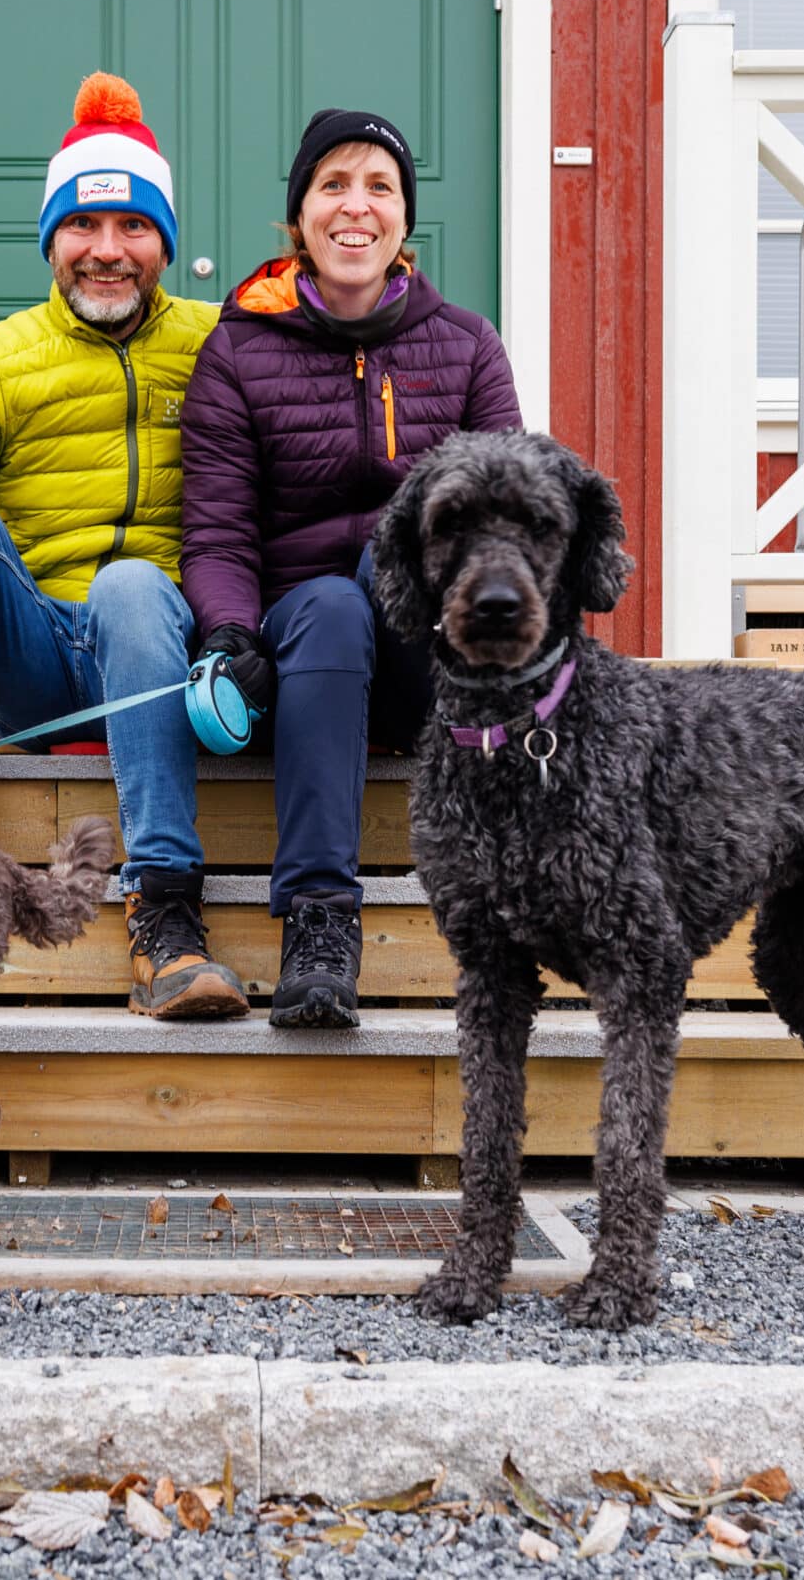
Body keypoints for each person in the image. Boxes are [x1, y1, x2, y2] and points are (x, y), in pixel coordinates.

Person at [0, 74, 248, 1022]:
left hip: (155, 643)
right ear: (52, 240)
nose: (108, 252)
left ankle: (165, 916)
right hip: (30, 654)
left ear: (164, 241)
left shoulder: (222, 346)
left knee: (128, 583)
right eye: (84, 227)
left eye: (134, 230)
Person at [180, 107, 523, 1030]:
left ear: (405, 219)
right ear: (299, 217)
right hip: (303, 645)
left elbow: (508, 520)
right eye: (333, 185)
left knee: (390, 552)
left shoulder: (467, 344)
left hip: (426, 652)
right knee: (332, 602)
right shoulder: (238, 351)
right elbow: (217, 533)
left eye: (379, 186)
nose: (355, 208)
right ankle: (320, 928)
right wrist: (228, 637)